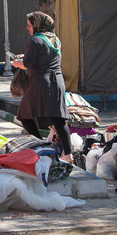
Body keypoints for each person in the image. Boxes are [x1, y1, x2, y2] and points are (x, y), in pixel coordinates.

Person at [12, 11, 73, 163]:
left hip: (40, 82)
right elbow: (43, 58)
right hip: (57, 81)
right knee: (58, 119)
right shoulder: (54, 39)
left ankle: (42, 147)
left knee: (24, 115)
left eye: (30, 25)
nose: (28, 28)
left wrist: (17, 63)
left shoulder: (36, 40)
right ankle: (68, 155)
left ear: (37, 25)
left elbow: (27, 64)